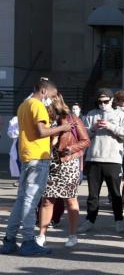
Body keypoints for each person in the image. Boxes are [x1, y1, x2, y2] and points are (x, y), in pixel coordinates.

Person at [2, 78, 72, 255]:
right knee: (31, 200)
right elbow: (42, 131)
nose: (52, 99)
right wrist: (62, 128)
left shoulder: (23, 105)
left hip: (26, 155)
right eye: (52, 95)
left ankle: (9, 240)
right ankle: (28, 241)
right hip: (37, 157)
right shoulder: (38, 105)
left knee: (21, 199)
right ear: (43, 91)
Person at [77, 89, 124, 235]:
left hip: (113, 159)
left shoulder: (121, 114)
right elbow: (82, 135)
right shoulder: (91, 114)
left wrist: (111, 126)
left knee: (115, 193)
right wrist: (94, 129)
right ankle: (89, 220)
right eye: (100, 102)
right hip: (93, 159)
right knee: (92, 194)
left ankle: (119, 220)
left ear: (112, 100)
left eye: (106, 101)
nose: (103, 104)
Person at [36, 94, 89, 248]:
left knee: (70, 200)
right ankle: (41, 235)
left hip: (68, 163)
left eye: (48, 103)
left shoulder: (72, 119)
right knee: (47, 200)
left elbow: (85, 140)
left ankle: (73, 235)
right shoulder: (43, 119)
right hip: (48, 162)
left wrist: (70, 149)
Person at [6, 115, 19, 180]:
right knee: (19, 162)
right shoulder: (15, 119)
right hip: (19, 144)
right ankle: (20, 179)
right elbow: (10, 133)